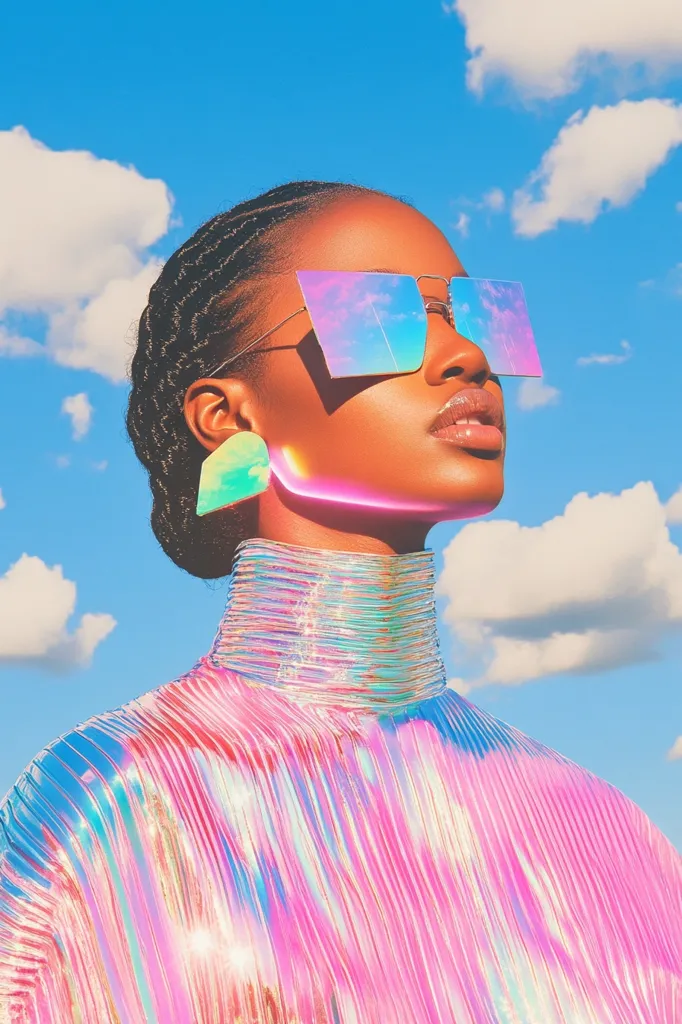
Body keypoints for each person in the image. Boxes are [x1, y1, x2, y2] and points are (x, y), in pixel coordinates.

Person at [0, 180, 680, 1024]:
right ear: (226, 414)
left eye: (476, 317)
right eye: (378, 318)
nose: (462, 355)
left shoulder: (608, 835)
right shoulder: (116, 803)